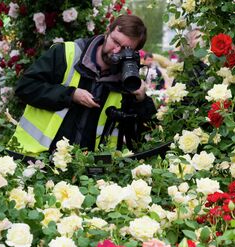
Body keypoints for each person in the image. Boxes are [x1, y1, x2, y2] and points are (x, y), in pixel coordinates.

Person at [11, 15, 155, 154]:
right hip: (38, 159)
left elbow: (146, 134)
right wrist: (71, 94)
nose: (116, 51)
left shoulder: (127, 78)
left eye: (125, 49)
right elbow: (25, 87)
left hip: (88, 170)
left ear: (134, 53)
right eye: (115, 42)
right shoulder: (67, 53)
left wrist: (141, 101)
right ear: (107, 32)